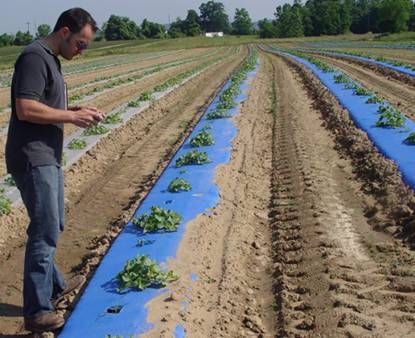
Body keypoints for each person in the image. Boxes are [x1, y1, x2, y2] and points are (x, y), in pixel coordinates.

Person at [5, 8, 104, 333]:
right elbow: (26, 107)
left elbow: (42, 103)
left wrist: (73, 109)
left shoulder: (50, 58)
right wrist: (71, 118)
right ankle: (37, 311)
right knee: (45, 229)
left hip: (47, 155)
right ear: (64, 32)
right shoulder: (34, 57)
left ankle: (56, 286)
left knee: (54, 222)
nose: (82, 50)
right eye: (80, 43)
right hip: (33, 157)